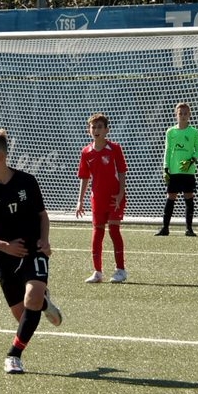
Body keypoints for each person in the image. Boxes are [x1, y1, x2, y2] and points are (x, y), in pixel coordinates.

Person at [0, 128, 63, 375]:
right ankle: (44, 303)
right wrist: (4, 246)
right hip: (2, 255)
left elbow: (42, 216)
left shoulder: (27, 182)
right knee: (23, 315)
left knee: (32, 297)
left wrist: (44, 240)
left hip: (32, 249)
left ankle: (13, 355)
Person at [74, 113, 128, 283]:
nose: (96, 130)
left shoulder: (115, 148)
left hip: (114, 197)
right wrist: (80, 200)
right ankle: (97, 272)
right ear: (88, 130)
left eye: (99, 127)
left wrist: (121, 193)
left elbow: (122, 171)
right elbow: (84, 177)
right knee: (97, 232)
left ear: (106, 130)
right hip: (97, 199)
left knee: (114, 230)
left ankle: (120, 270)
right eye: (93, 127)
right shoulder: (86, 152)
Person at [156, 102, 198, 237]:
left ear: (189, 115)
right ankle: (165, 228)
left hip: (188, 171)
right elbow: (167, 150)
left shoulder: (194, 132)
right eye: (180, 113)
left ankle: (189, 229)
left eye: (185, 113)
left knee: (189, 197)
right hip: (174, 171)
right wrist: (166, 168)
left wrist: (191, 161)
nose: (182, 116)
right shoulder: (170, 132)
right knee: (171, 197)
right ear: (176, 115)